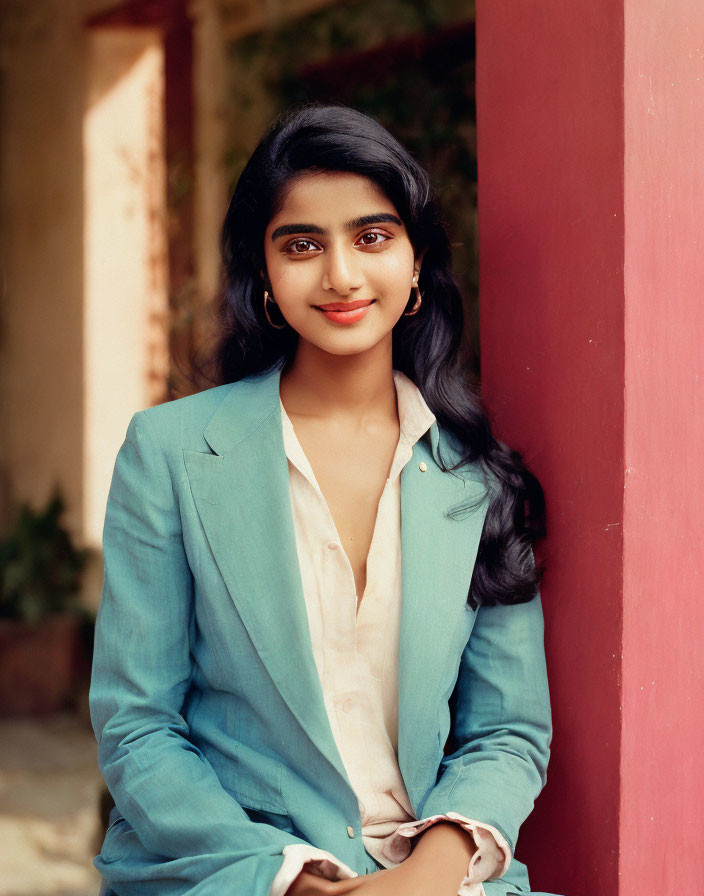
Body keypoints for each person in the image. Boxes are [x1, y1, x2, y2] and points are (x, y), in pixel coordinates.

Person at [90, 104, 560, 896]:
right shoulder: (170, 454)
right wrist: (292, 879)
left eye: (371, 238)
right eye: (302, 245)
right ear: (265, 275)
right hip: (235, 871)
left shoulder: (477, 478)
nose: (340, 274)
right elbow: (138, 726)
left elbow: (508, 731)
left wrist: (431, 872)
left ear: (416, 263)